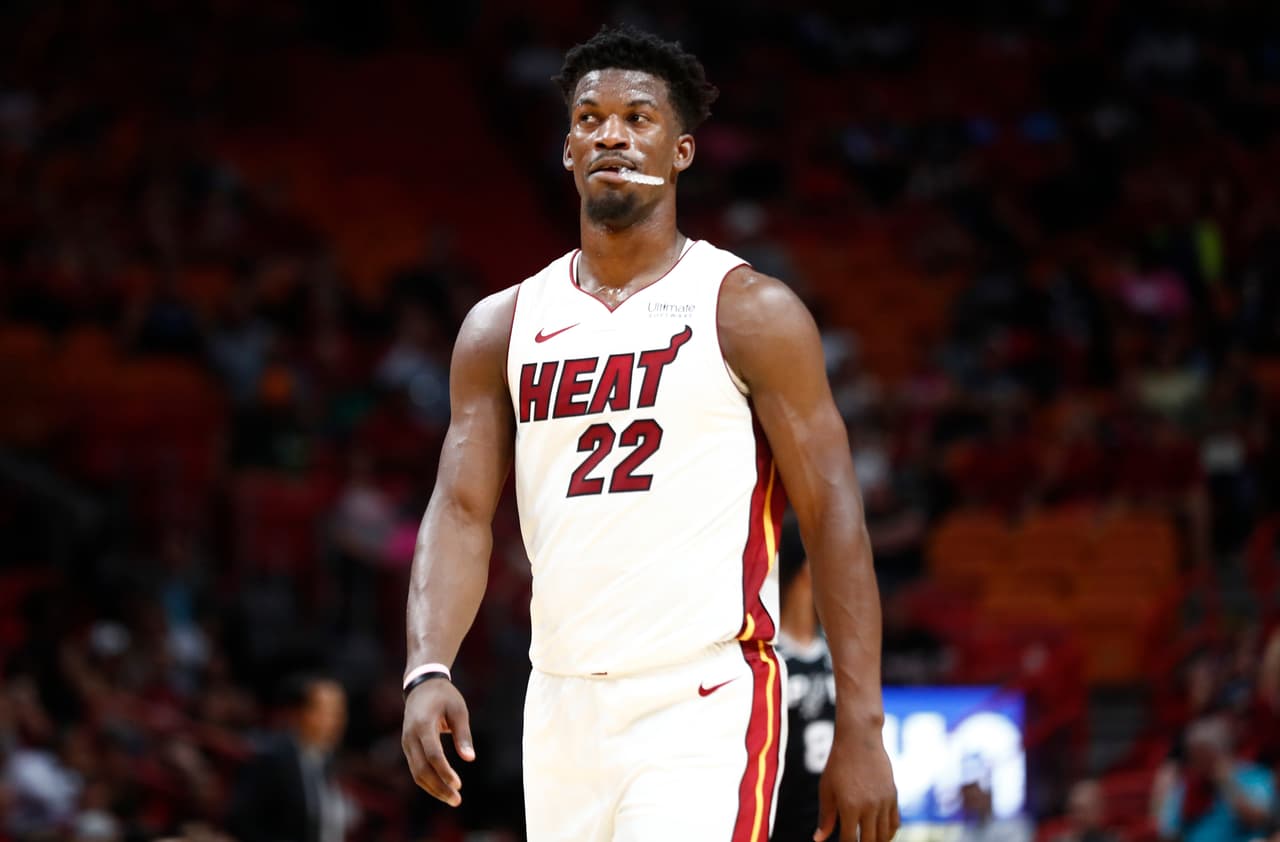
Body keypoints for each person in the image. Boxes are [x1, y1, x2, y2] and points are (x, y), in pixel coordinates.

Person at [400, 25, 898, 842]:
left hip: (701, 698)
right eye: (589, 119)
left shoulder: (747, 310)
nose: (612, 134)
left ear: (682, 152)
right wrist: (428, 665)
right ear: (567, 151)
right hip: (559, 699)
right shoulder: (502, 326)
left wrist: (861, 725)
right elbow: (458, 510)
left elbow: (834, 509)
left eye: (638, 118)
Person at [773, 521, 839, 840]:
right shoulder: (766, 657)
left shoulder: (843, 651)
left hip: (835, 824)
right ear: (807, 569)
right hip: (780, 823)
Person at [228, 675, 353, 842]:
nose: (338, 721)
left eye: (340, 712)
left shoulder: (329, 763)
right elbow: (241, 822)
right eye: (328, 712)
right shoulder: (271, 759)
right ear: (299, 713)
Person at [1155, 715, 1275, 842]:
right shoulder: (1188, 785)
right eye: (1194, 758)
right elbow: (1168, 831)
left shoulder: (1255, 776)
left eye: (1205, 757)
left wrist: (1227, 784)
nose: (1198, 765)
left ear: (1224, 752)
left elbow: (1258, 820)